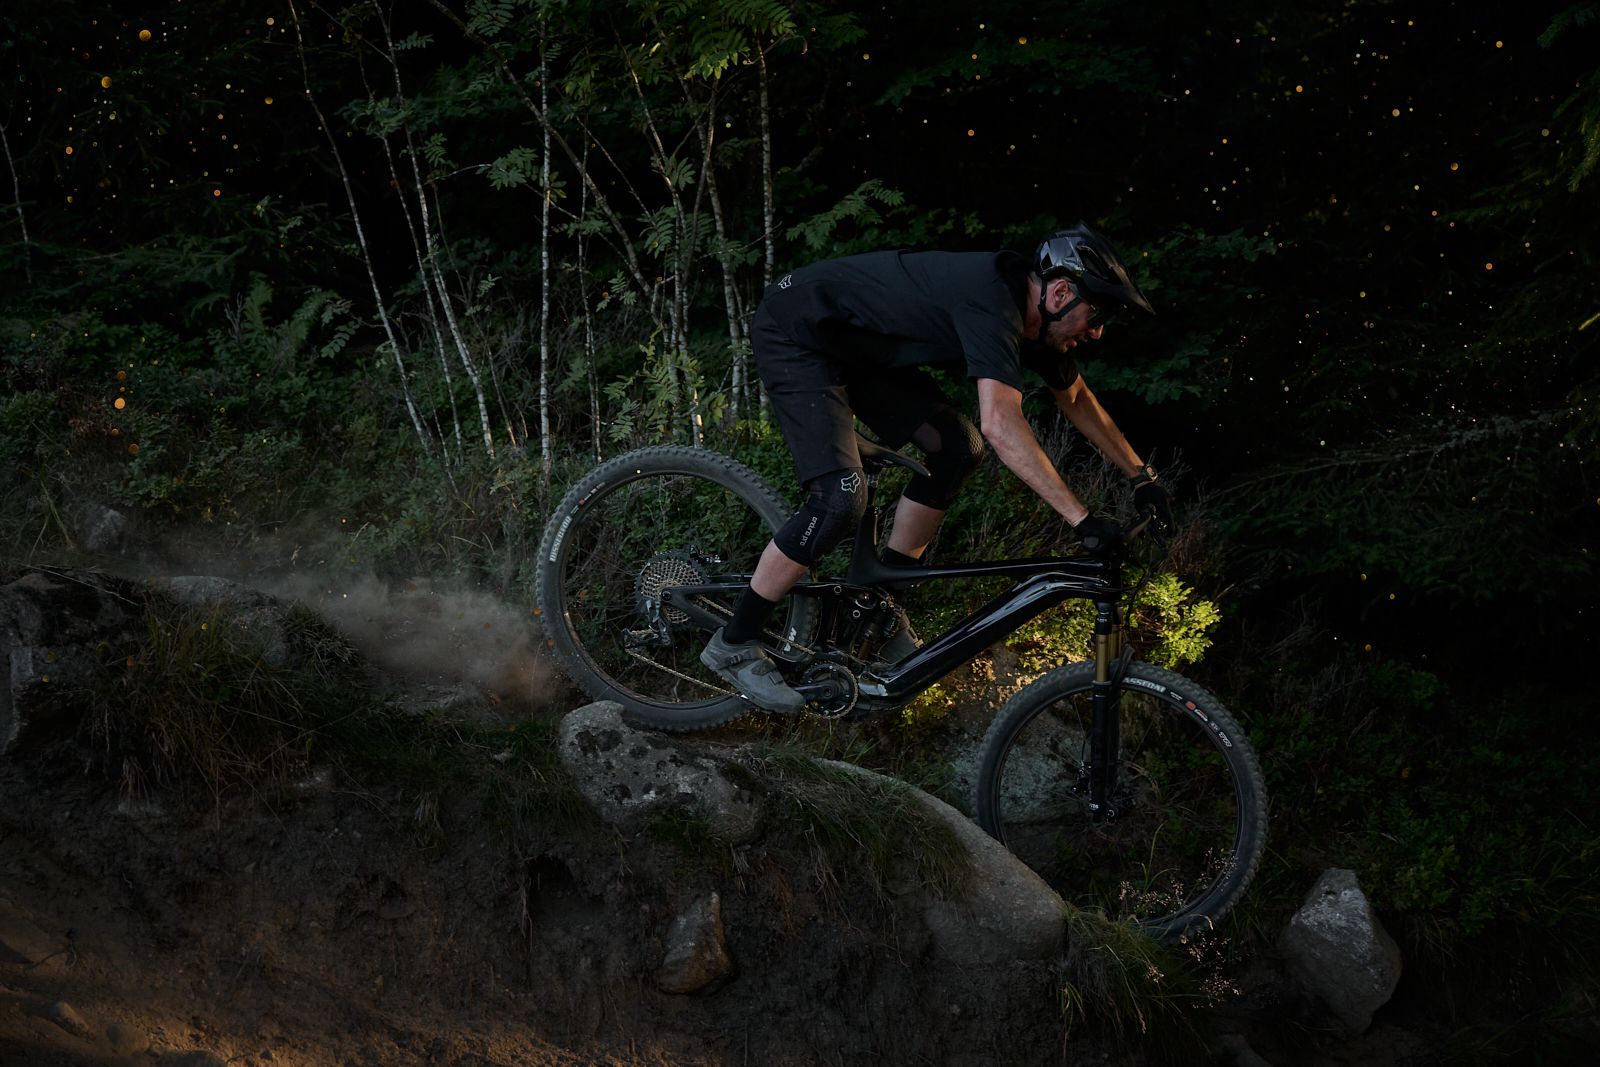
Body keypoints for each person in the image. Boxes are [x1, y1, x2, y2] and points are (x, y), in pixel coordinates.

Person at [700, 222, 1174, 713]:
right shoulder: (993, 303)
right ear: (1059, 292)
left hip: (860, 352)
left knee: (956, 448)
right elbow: (1001, 423)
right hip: (798, 331)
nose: (1097, 332)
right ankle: (736, 640)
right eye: (1096, 315)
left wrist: (1142, 478)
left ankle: (876, 609)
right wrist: (1080, 519)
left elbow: (1076, 398)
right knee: (842, 497)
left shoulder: (1038, 323)